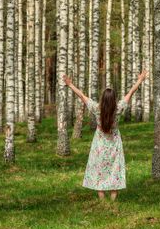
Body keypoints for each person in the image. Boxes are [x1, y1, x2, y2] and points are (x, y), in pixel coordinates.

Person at [63, 70, 148, 201]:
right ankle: (113, 202)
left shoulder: (97, 109)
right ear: (114, 100)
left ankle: (102, 202)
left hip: (100, 145)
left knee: (99, 169)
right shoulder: (118, 109)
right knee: (115, 170)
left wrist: (70, 84)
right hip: (114, 144)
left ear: (103, 99)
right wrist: (140, 80)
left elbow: (82, 96)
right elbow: (130, 93)